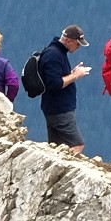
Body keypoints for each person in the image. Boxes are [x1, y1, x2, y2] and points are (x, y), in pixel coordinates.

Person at [38, 25, 92, 153]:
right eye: (77, 44)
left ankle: (54, 171)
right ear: (68, 41)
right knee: (77, 145)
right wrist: (75, 75)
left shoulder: (56, 52)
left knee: (55, 147)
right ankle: (65, 170)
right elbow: (54, 83)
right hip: (60, 110)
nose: (78, 48)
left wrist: (72, 73)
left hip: (53, 107)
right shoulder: (54, 55)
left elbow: (55, 77)